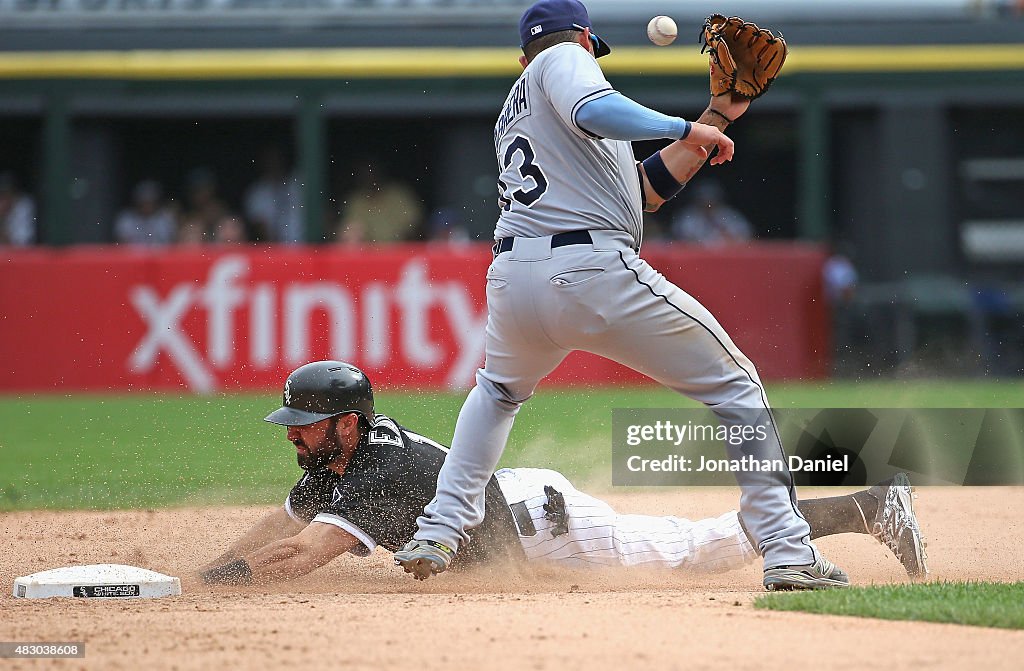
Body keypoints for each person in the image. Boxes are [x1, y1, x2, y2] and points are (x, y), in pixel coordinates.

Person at [396, 0, 847, 591]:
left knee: (498, 392)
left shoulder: (524, 104)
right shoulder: (564, 60)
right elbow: (599, 107)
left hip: (515, 278)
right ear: (585, 37)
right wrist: (684, 126)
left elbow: (644, 192)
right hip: (589, 270)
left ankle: (441, 526)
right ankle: (788, 551)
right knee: (737, 386)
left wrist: (718, 115)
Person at [197, 361, 927, 587]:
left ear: (345, 423)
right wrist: (212, 569)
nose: (294, 436)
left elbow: (302, 553)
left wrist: (226, 587)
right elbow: (282, 524)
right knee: (690, 548)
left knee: (694, 552)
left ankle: (870, 506)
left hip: (549, 527)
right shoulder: (338, 460)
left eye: (304, 424)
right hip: (519, 507)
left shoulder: (374, 469)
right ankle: (865, 507)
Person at [244, 148, 304, 244]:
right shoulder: (257, 193)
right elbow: (260, 230)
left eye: (277, 159)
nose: (274, 164)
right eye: (270, 160)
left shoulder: (299, 183)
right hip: (274, 250)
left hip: (305, 246)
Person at [671, 180, 753, 245]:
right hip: (696, 259)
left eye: (711, 200)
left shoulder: (729, 215)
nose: (708, 204)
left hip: (726, 258)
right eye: (703, 201)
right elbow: (680, 241)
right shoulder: (688, 216)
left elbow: (745, 238)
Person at [113, 180, 177, 246]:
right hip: (132, 255)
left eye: (150, 202)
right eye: (144, 202)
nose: (147, 205)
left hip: (159, 255)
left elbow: (171, 245)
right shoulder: (126, 219)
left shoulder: (165, 219)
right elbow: (121, 245)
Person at [0, 172, 36, 247]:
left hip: (18, 256)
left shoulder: (23, 206)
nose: (4, 199)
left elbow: (20, 245)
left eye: (6, 193)